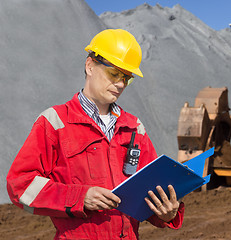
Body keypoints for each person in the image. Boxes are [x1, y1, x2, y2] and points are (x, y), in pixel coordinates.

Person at [6, 29, 184, 239]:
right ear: (90, 66)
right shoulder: (55, 122)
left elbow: (150, 194)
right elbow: (20, 185)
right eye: (114, 73)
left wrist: (167, 213)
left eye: (127, 78)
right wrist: (79, 198)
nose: (120, 84)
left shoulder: (135, 128)